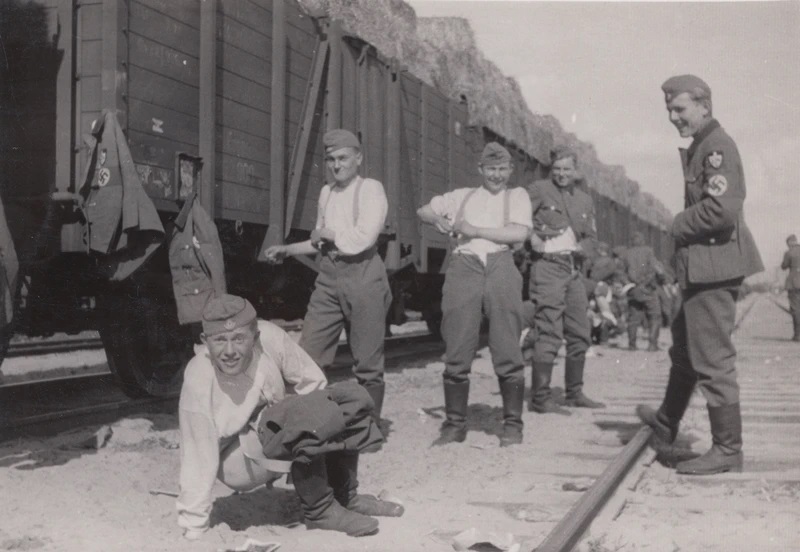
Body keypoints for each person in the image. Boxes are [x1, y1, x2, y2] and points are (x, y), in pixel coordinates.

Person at [176, 294, 403, 541]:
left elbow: (313, 382)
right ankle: (320, 512)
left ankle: (345, 495)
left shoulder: (271, 338)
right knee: (299, 415)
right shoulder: (199, 377)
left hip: (272, 430)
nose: (229, 351)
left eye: (239, 339)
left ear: (256, 337)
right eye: (219, 340)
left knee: (348, 398)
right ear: (205, 342)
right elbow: (197, 455)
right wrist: (194, 525)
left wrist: (318, 437)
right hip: (236, 461)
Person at [637, 75, 763, 476]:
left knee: (712, 360)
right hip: (703, 268)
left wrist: (677, 224)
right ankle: (667, 421)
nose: (673, 117)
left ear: (704, 105)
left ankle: (728, 449)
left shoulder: (715, 148)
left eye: (680, 109)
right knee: (686, 351)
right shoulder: (702, 146)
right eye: (669, 111)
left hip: (714, 268)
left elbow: (722, 209)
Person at [264, 129, 392, 423]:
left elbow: (364, 238)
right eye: (331, 159)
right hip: (329, 276)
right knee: (309, 353)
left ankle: (368, 430)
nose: (337, 165)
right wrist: (288, 249)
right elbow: (320, 242)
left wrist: (328, 234)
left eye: (343, 158)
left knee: (368, 361)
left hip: (364, 275)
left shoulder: (371, 189)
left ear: (358, 158)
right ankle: (307, 424)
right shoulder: (327, 193)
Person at [416, 142, 532, 447]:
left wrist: (474, 230)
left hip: (500, 264)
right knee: (457, 342)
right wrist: (437, 219)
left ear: (510, 170)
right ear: (480, 170)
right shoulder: (461, 196)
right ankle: (454, 425)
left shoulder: (516, 196)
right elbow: (424, 210)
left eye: (502, 169)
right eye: (490, 169)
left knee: (507, 343)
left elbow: (519, 234)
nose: (496, 175)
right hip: (464, 266)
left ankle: (512, 425)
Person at [524, 146, 605, 415]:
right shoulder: (538, 189)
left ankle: (574, 392)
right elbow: (517, 215)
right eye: (557, 169)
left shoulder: (584, 200)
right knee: (549, 331)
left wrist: (585, 248)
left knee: (580, 332)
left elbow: (593, 236)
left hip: (573, 271)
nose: (561, 174)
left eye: (566, 169)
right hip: (548, 268)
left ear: (575, 170)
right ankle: (541, 398)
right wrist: (530, 236)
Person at [623, 232, 663, 351]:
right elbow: (655, 269)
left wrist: (631, 285)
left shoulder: (626, 254)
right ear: (642, 240)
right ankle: (652, 344)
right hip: (648, 289)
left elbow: (622, 273)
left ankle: (632, 345)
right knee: (655, 315)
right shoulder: (648, 251)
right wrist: (647, 283)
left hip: (633, 289)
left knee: (633, 317)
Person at [781, 234, 800, 341]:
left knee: (796, 309)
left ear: (789, 243)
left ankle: (798, 335)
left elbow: (784, 266)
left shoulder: (789, 253)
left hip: (794, 284)